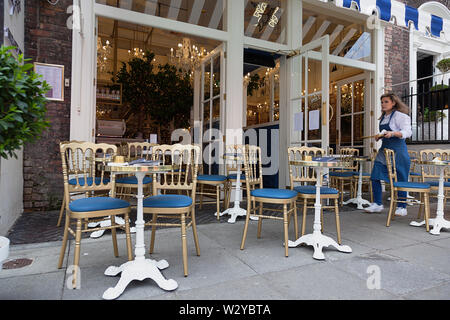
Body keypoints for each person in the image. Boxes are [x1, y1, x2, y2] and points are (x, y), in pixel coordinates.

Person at [365, 93, 412, 216]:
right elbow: (385, 133)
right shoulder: (384, 117)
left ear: (394, 103)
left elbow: (408, 132)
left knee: (401, 178)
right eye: (382, 102)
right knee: (375, 176)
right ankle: (377, 204)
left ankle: (402, 206)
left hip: (398, 151)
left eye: (386, 102)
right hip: (384, 151)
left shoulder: (401, 116)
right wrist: (379, 137)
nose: (383, 104)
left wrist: (393, 133)